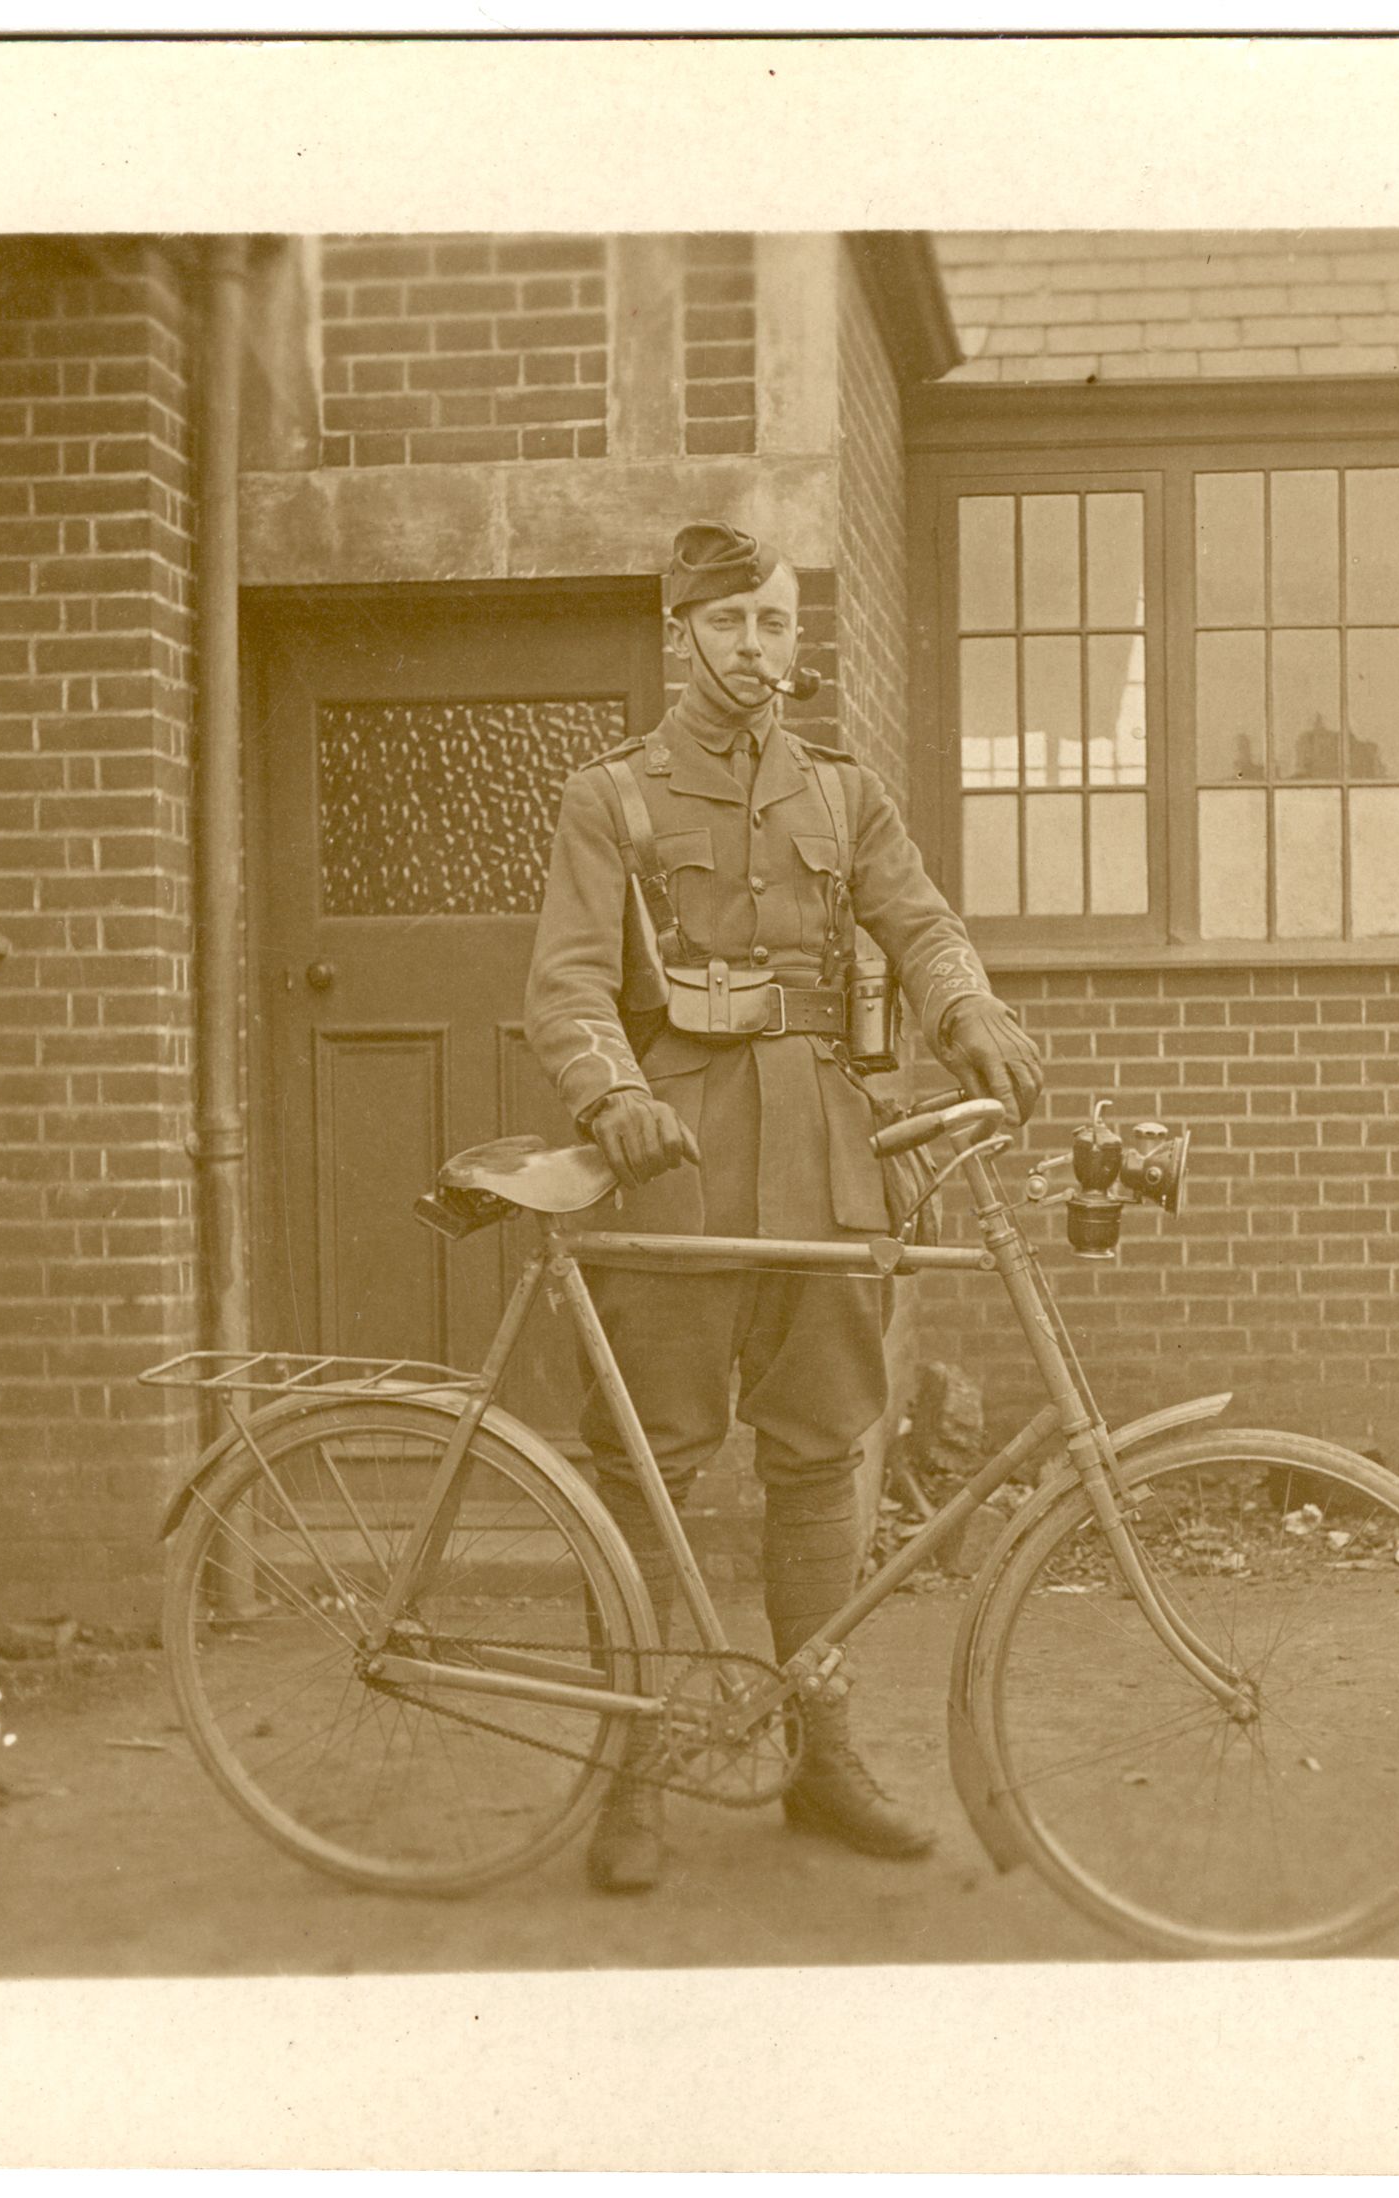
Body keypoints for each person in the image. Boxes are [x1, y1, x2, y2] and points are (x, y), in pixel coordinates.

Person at [524, 521, 1049, 1895]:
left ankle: (822, 1755)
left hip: (824, 1161)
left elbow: (919, 923)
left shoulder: (842, 797)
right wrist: (611, 1095)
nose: (756, 646)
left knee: (822, 1456)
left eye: (773, 622)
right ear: (676, 634)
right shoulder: (613, 799)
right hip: (673, 1167)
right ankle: (631, 1769)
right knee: (651, 1461)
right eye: (730, 622)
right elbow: (569, 986)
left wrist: (968, 1007)